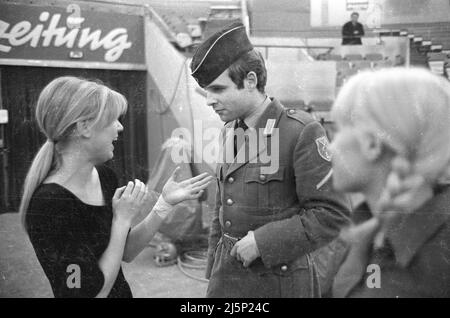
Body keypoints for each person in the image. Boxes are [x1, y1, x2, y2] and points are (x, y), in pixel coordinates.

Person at [190, 22, 351, 298]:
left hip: (279, 284)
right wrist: (214, 271)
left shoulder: (300, 131)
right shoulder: (230, 130)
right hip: (228, 280)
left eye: (217, 89)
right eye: (206, 91)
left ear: (250, 81)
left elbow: (333, 213)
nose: (209, 101)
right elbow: (223, 207)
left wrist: (264, 242)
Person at [20, 76, 213, 298]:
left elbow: (127, 250)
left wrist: (164, 204)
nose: (120, 127)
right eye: (113, 119)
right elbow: (90, 294)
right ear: (84, 127)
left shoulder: (104, 177)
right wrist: (121, 220)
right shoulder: (50, 204)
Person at [328, 68, 450, 297]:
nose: (330, 147)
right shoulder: (370, 227)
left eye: (337, 131)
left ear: (372, 145)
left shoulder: (436, 261)